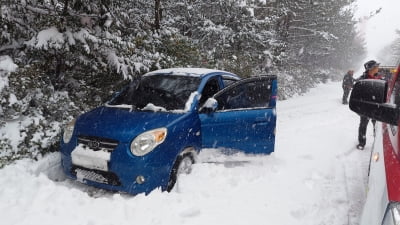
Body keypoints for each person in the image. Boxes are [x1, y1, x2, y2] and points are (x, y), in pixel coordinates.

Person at [356, 60, 382, 150]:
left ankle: (377, 142)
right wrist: (359, 108)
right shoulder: (362, 80)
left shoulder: (379, 78)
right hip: (365, 108)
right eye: (376, 67)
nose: (378, 68)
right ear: (371, 69)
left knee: (377, 126)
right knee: (363, 125)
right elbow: (356, 94)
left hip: (376, 107)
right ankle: (361, 143)